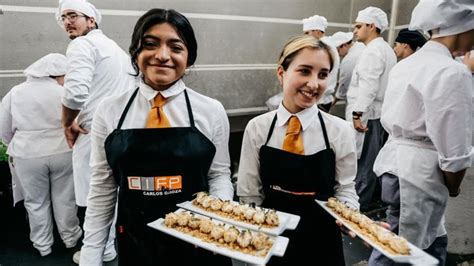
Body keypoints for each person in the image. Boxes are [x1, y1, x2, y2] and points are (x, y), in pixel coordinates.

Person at [79, 8, 234, 265]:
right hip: (136, 240)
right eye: (150, 44)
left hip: (198, 244)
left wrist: (218, 223)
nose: (162, 56)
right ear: (135, 52)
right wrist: (90, 256)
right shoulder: (109, 110)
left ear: (189, 57)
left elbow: (218, 175)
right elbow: (102, 187)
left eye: (176, 47)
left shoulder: (211, 110)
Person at [237, 35, 359, 265]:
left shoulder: (339, 130)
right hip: (271, 239)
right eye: (304, 71)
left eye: (323, 74)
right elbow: (250, 193)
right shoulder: (258, 128)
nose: (314, 84)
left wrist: (350, 216)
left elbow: (345, 189)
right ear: (281, 73)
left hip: (323, 242)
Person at [369, 0, 473, 264]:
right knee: (400, 252)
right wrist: (454, 186)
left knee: (429, 241)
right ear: (465, 25)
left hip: (393, 164)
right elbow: (454, 152)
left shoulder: (407, 64)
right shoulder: (453, 72)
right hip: (419, 176)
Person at [55, 0, 135, 262]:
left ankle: (97, 251)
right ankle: (109, 246)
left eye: (73, 16)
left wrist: (68, 122)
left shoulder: (81, 44)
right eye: (63, 17)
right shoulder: (116, 50)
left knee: (94, 196)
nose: (67, 21)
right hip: (122, 135)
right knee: (113, 193)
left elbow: (76, 92)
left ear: (91, 20)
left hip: (94, 136)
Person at [0, 53, 82, 257]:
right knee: (65, 199)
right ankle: (70, 238)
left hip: (27, 153)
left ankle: (43, 245)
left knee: (35, 202)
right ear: (56, 75)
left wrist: (16, 144)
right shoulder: (63, 92)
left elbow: (4, 128)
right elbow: (77, 122)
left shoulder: (16, 92)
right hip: (62, 150)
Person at [345, 6, 397, 211]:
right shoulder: (385, 49)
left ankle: (357, 209)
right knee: (369, 160)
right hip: (376, 114)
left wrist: (358, 114)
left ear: (372, 26)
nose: (355, 31)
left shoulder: (374, 52)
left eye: (358, 26)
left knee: (364, 163)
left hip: (368, 116)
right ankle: (362, 203)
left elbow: (368, 86)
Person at [302, 15, 340, 112]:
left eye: (307, 33)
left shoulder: (323, 47)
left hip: (319, 99)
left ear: (317, 31)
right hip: (323, 98)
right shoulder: (328, 45)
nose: (305, 37)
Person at [330, 31, 365, 107]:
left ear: (344, 45)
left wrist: (333, 103)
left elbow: (344, 85)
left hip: (357, 100)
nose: (338, 54)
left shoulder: (349, 60)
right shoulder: (360, 45)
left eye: (338, 51)